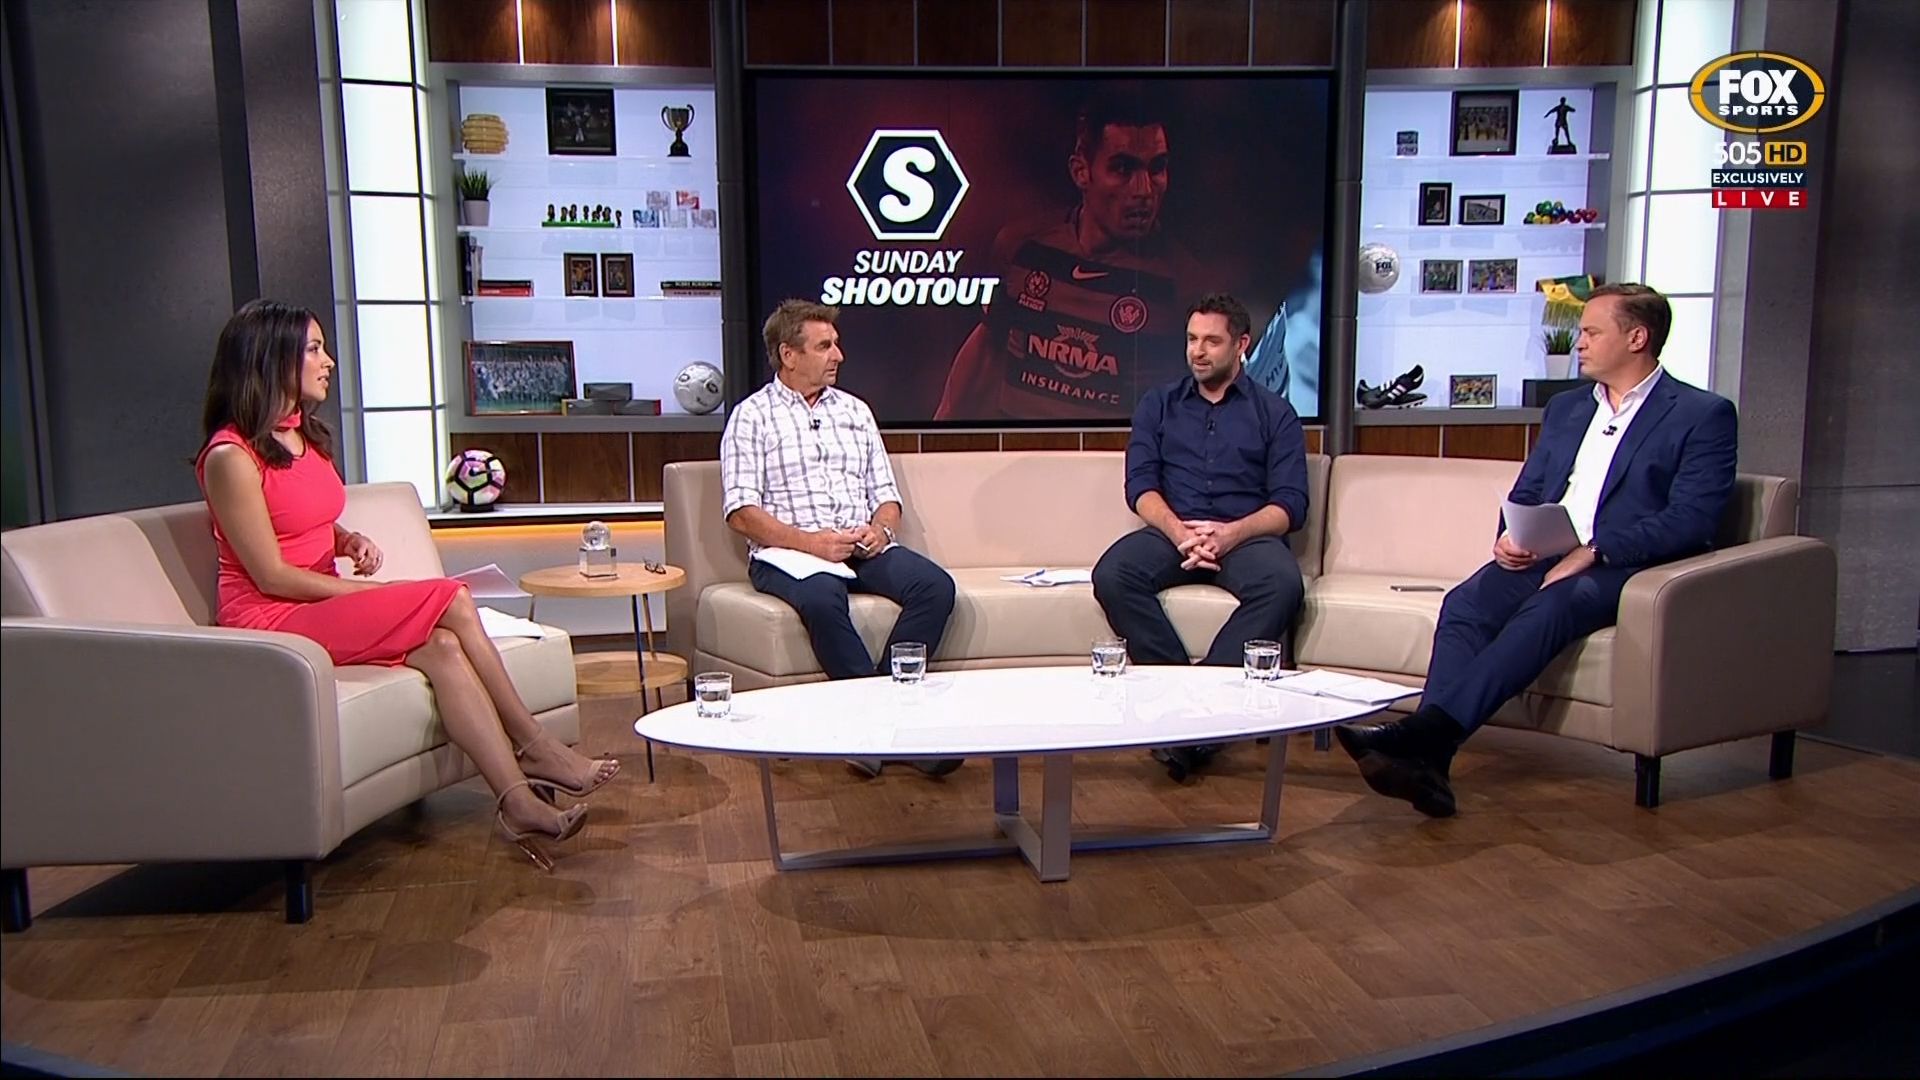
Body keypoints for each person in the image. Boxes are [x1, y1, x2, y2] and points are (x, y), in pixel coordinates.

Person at [196, 300, 618, 871]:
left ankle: (517, 802)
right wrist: (365, 593)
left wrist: (346, 540)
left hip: (313, 601)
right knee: (453, 596)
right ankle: (536, 745)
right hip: (271, 618)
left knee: (444, 648)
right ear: (271, 359)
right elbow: (269, 573)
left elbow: (298, 518)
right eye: (314, 349)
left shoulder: (301, 436)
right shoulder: (230, 455)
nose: (329, 361)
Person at [1335, 284, 1738, 817]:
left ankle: (1425, 734)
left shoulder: (1701, 414)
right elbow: (1529, 490)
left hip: (1626, 565)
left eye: (1592, 332)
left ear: (1637, 338)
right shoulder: (1568, 408)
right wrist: (1511, 535)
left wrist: (1597, 549)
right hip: (1547, 553)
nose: (1579, 343)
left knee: (1553, 605)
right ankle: (1430, 758)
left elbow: (1692, 519)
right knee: (1466, 604)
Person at [721, 299, 961, 779]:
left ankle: (876, 728)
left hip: (860, 547)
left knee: (935, 587)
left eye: (836, 344)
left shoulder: (855, 411)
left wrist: (881, 530)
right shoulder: (752, 417)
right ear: (788, 355)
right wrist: (811, 544)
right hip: (789, 556)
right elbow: (742, 513)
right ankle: (889, 730)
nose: (839, 355)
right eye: (825, 346)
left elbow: (886, 496)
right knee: (821, 596)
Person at [1092, 293, 1310, 781]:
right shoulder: (1159, 405)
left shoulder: (1275, 413)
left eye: (1212, 341)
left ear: (1241, 345)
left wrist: (1231, 534)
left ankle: (1194, 720)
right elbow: (1140, 487)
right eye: (1192, 339)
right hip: (1174, 531)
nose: (1198, 351)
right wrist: (1179, 532)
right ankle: (1186, 705)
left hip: (1245, 535)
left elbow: (1290, 504)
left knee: (1282, 585)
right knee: (1114, 573)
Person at [934, 91, 1205, 423]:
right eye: (1123, 168)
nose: (1143, 190)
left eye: (1157, 168)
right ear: (1081, 171)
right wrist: (937, 435)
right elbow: (988, 348)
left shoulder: (1183, 286)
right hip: (1020, 452)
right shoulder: (1022, 247)